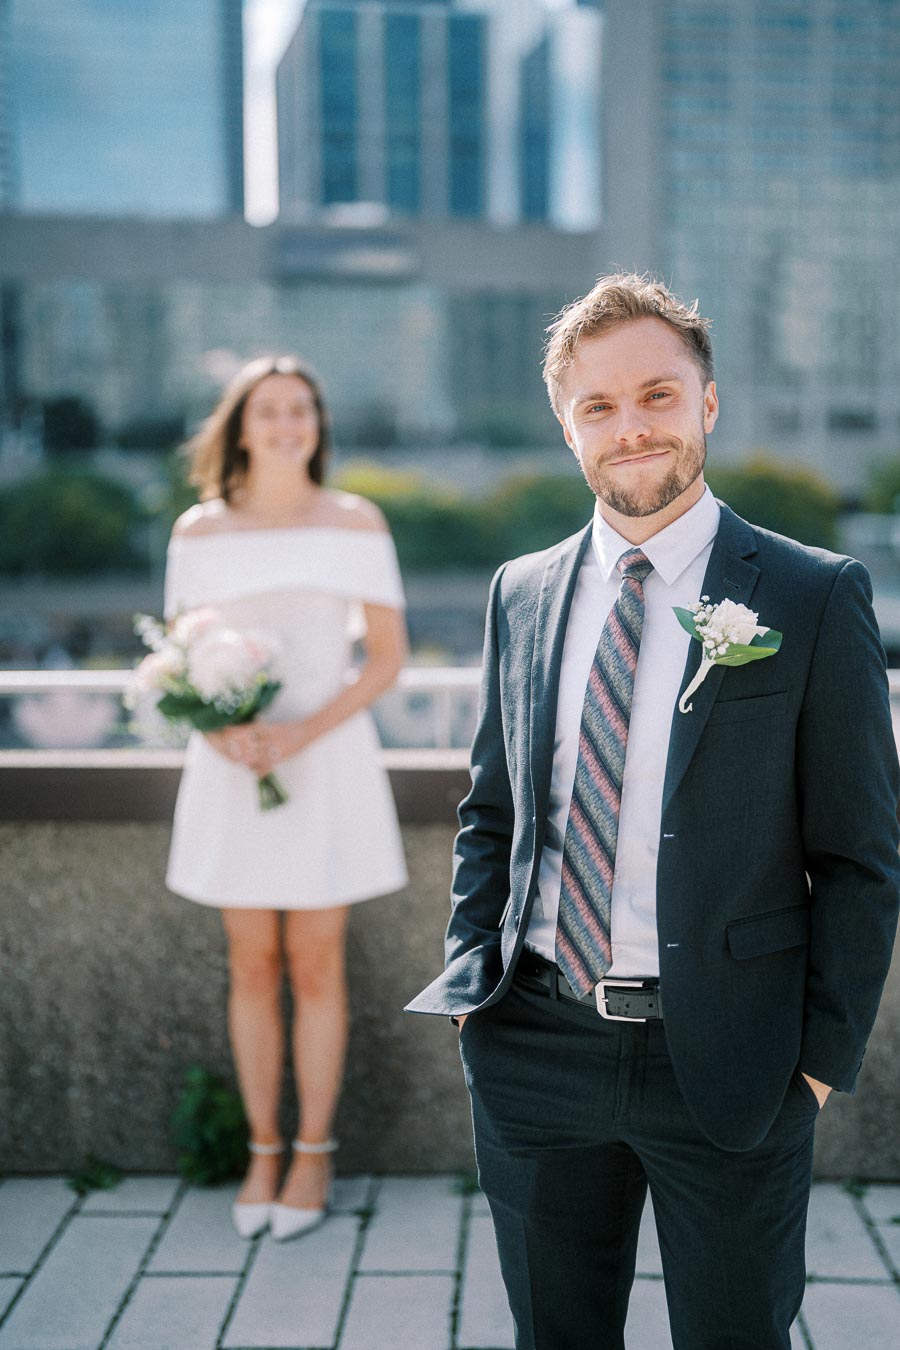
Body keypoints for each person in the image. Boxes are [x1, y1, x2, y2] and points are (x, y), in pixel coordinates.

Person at [407, 275, 900, 1348]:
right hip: (533, 1042)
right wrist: (472, 995)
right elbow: (491, 810)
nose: (630, 429)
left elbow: (862, 858)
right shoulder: (521, 590)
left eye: (658, 396)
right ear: (565, 425)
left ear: (708, 404)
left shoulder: (814, 597)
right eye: (598, 406)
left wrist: (816, 1068)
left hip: (731, 1062)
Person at [165, 356, 408, 1242]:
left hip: (326, 759)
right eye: (267, 410)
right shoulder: (197, 532)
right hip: (232, 767)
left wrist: (301, 734)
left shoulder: (355, 520)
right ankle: (263, 1149)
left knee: (314, 961)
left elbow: (385, 659)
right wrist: (221, 730)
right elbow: (178, 658)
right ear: (239, 426)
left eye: (300, 409)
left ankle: (315, 1151)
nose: (285, 424)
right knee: (251, 963)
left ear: (317, 424)